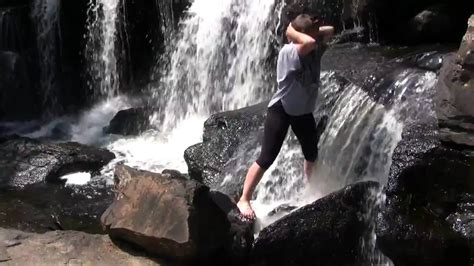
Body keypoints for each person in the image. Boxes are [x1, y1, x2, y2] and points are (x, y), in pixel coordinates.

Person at [237, 14, 334, 219]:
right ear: (300, 36)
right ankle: (244, 198)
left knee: (311, 154)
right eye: (311, 33)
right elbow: (306, 41)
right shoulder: (289, 51)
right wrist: (291, 32)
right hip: (282, 110)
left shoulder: (313, 48)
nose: (315, 37)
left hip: (303, 112)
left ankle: (311, 190)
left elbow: (330, 30)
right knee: (267, 157)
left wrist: (309, 29)